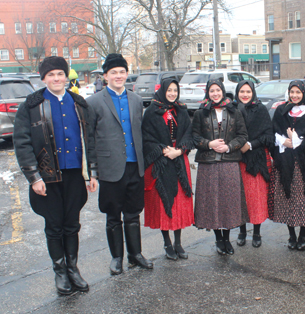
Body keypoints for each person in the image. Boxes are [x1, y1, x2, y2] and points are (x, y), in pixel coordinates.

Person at [13, 56, 98, 295]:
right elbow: (22, 144)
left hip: (74, 175)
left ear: (66, 76)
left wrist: (92, 172)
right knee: (54, 226)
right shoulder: (31, 105)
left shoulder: (79, 103)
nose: (56, 78)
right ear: (43, 78)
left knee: (72, 224)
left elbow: (89, 140)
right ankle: (60, 271)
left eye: (60, 74)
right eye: (51, 75)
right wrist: (34, 178)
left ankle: (73, 269)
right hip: (47, 177)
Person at [86, 53, 153, 275]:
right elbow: (90, 139)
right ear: (105, 76)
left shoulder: (135, 100)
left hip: (134, 165)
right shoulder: (94, 102)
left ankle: (135, 254)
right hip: (110, 168)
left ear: (127, 74)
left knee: (133, 213)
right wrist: (92, 171)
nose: (118, 76)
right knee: (113, 214)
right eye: (113, 72)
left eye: (122, 72)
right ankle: (117, 257)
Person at [192, 79, 249, 256]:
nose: (215, 94)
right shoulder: (200, 112)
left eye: (218, 90)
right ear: (207, 93)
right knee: (212, 202)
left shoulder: (234, 111)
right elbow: (194, 136)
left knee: (228, 202)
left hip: (230, 161)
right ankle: (218, 240)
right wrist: (209, 144)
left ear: (223, 92)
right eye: (211, 91)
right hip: (208, 164)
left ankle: (227, 239)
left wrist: (228, 147)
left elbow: (242, 135)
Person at [142, 79, 194, 260]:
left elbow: (189, 133)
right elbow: (146, 138)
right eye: (169, 90)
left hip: (179, 158)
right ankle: (167, 243)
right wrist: (163, 150)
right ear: (162, 90)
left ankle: (178, 243)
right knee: (164, 203)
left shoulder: (181, 110)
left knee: (179, 203)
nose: (172, 93)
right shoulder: (151, 112)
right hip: (161, 161)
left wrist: (179, 151)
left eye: (175, 90)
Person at [268, 80, 305, 251]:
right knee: (288, 198)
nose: (295, 95)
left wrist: (297, 140)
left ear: (304, 93)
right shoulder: (281, 111)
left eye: (298, 92)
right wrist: (283, 140)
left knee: (304, 200)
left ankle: (303, 235)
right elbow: (273, 131)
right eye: (292, 92)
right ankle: (291, 235)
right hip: (285, 162)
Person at [234, 80, 274, 248]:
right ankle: (242, 231)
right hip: (237, 159)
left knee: (255, 198)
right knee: (240, 196)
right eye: (242, 91)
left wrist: (250, 144)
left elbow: (268, 135)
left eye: (248, 91)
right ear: (237, 93)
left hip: (256, 158)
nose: (245, 94)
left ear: (253, 93)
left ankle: (257, 232)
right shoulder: (233, 110)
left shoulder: (261, 109)